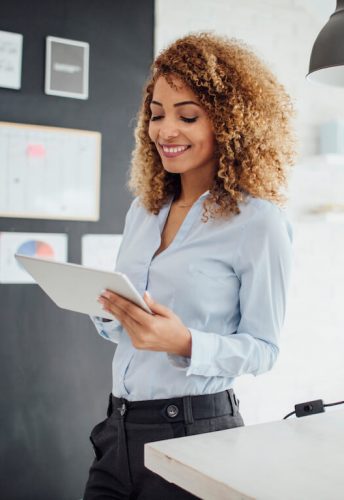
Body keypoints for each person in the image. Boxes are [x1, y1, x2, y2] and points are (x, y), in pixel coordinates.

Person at [83, 32, 296, 499]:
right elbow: (129, 328)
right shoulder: (144, 209)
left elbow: (264, 348)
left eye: (188, 115)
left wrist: (185, 343)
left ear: (229, 122)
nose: (165, 131)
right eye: (157, 114)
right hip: (117, 429)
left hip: (197, 432)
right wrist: (109, 312)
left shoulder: (258, 222)